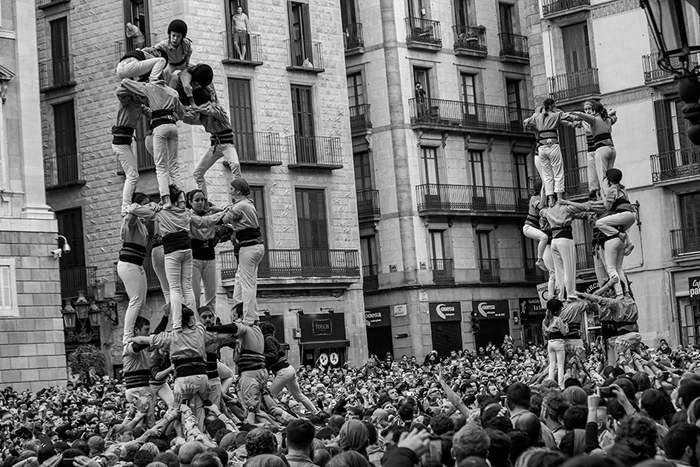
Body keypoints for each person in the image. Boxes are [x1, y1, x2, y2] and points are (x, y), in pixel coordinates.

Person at [120, 77, 185, 209]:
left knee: (161, 167)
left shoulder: (151, 88)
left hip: (159, 127)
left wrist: (142, 82)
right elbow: (182, 113)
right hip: (172, 127)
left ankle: (166, 200)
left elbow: (125, 82)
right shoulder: (173, 92)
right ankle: (182, 200)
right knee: (174, 167)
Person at [205, 304, 266, 425]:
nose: (233, 319)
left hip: (250, 374)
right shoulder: (256, 329)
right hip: (259, 372)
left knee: (252, 411)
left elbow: (232, 329)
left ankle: (260, 435)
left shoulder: (244, 327)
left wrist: (206, 329)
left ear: (242, 317)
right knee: (256, 410)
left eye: (234, 316)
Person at [183, 87, 241, 197]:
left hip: (227, 145)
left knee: (235, 164)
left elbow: (211, 111)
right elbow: (187, 119)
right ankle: (204, 200)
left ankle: (238, 194)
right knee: (197, 173)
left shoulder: (218, 110)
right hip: (214, 147)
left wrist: (196, 108)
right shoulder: (203, 118)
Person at [222, 178, 265, 322]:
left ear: (238, 191)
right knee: (240, 287)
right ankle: (243, 313)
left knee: (247, 285)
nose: (230, 191)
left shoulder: (240, 206)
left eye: (232, 189)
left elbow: (225, 219)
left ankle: (249, 318)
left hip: (248, 248)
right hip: (256, 247)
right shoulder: (247, 203)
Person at [523, 99, 574, 207]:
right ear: (551, 106)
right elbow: (569, 117)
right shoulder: (556, 115)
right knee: (558, 172)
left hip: (542, 148)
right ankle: (559, 198)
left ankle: (550, 200)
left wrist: (528, 122)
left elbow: (526, 122)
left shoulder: (537, 117)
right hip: (553, 145)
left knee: (547, 176)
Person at [260, 321, 318, 415]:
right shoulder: (271, 338)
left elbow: (273, 355)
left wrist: (261, 356)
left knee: (270, 397)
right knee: (298, 395)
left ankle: (277, 416)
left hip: (283, 371)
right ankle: (315, 412)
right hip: (289, 369)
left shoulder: (268, 339)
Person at [117, 192, 153, 344]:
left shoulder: (142, 224)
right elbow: (131, 216)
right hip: (128, 264)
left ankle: (136, 330)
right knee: (136, 300)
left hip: (137, 265)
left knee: (141, 302)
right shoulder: (131, 219)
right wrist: (134, 208)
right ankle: (127, 337)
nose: (147, 207)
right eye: (145, 204)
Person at [596, 168, 636, 298]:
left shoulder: (612, 189)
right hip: (631, 215)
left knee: (600, 223)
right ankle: (626, 292)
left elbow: (607, 206)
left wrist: (604, 195)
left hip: (623, 216)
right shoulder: (623, 189)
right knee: (619, 268)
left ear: (609, 179)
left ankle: (620, 294)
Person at [112, 86, 151, 216]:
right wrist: (133, 88)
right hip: (120, 143)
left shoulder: (140, 106)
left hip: (125, 143)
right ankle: (125, 206)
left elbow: (152, 114)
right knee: (132, 175)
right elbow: (119, 91)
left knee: (134, 175)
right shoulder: (127, 100)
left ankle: (127, 204)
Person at [571, 101, 617, 198]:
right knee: (610, 176)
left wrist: (573, 113)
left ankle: (606, 197)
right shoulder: (607, 119)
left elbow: (582, 115)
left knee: (602, 177)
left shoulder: (594, 120)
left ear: (594, 111)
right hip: (612, 149)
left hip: (602, 149)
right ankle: (614, 195)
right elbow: (614, 116)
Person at [188, 190, 220, 311]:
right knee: (194, 295)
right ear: (190, 202)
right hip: (194, 258)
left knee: (211, 295)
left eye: (202, 199)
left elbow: (222, 211)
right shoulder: (188, 215)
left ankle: (211, 324)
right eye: (197, 200)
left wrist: (212, 207)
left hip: (210, 257)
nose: (200, 202)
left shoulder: (210, 214)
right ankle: (196, 323)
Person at [154, 20, 193, 86]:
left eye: (178, 36)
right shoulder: (164, 44)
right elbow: (153, 49)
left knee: (199, 70)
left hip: (183, 64)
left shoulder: (186, 43)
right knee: (166, 74)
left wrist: (187, 62)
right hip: (171, 64)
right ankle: (165, 89)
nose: (175, 39)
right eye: (173, 35)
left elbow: (190, 51)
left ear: (182, 37)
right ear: (169, 34)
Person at [543, 299, 569, 389]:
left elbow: (545, 333)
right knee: (560, 365)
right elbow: (564, 332)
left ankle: (550, 384)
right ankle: (561, 385)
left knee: (552, 365)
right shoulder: (558, 319)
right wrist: (567, 326)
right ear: (557, 310)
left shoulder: (545, 320)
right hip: (559, 342)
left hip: (550, 343)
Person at [522, 181, 548, 272]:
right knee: (544, 237)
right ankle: (539, 260)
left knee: (547, 241)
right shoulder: (533, 198)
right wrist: (543, 191)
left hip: (533, 227)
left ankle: (546, 260)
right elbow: (541, 206)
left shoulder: (543, 199)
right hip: (528, 228)